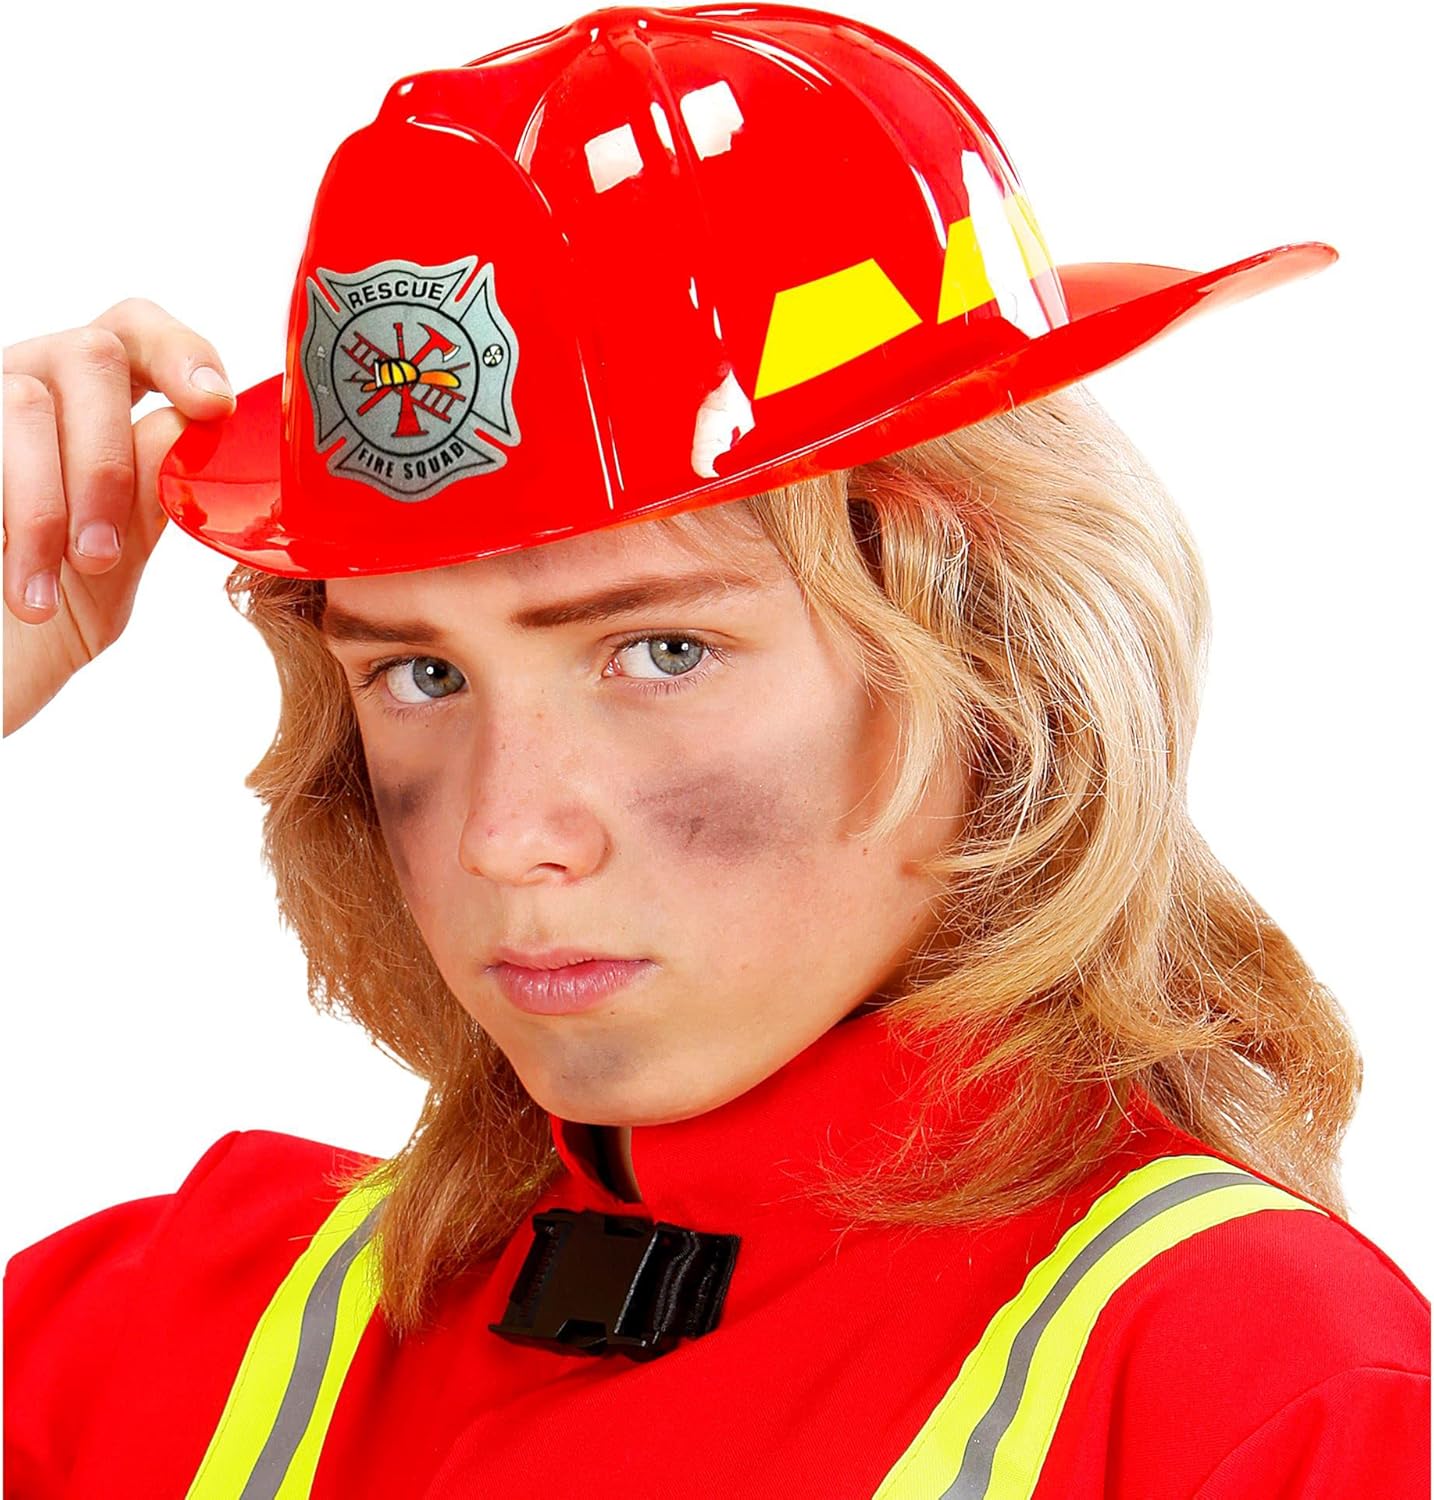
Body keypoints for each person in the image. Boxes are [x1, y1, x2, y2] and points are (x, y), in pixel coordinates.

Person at [4, 5, 1428, 1497]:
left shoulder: (1256, 1394)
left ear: (1001, 668)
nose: (506, 834)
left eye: (661, 652)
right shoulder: (172, 1341)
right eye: (421, 673)